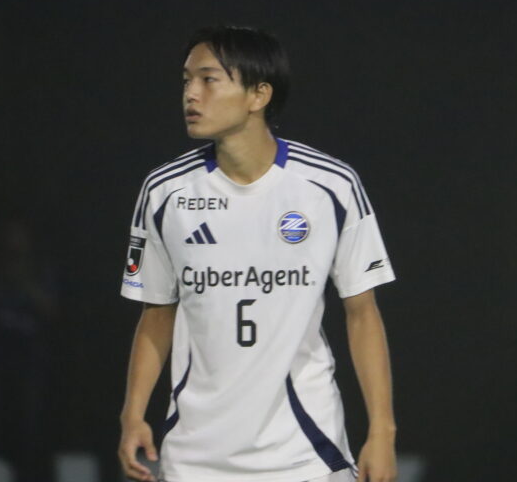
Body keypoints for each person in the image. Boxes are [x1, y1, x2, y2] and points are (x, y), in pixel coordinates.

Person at [118, 26, 397, 482]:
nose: (191, 94)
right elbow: (156, 313)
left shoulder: (331, 186)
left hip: (305, 453)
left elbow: (362, 313)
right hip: (194, 458)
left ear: (259, 94)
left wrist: (381, 432)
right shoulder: (165, 191)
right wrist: (132, 416)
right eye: (186, 81)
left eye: (208, 79)